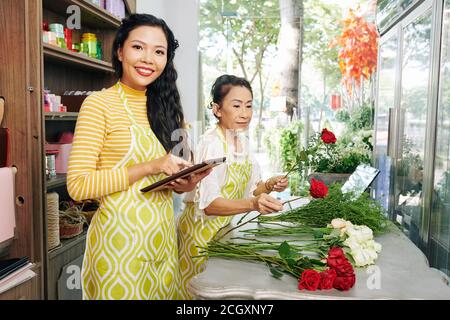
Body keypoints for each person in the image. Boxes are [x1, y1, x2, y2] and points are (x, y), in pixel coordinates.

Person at [67, 14, 210, 300]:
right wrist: (150, 166)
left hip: (162, 243)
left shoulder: (169, 109)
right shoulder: (98, 104)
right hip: (118, 248)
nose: (148, 59)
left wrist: (187, 182)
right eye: (138, 48)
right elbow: (78, 186)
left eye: (159, 52)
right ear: (120, 51)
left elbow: (176, 175)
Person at [177, 74, 289, 299]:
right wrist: (253, 204)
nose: (245, 113)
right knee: (198, 295)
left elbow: (252, 190)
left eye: (249, 106)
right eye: (236, 105)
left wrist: (269, 184)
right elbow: (209, 205)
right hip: (200, 236)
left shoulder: (242, 142)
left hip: (223, 231)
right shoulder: (212, 144)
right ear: (217, 109)